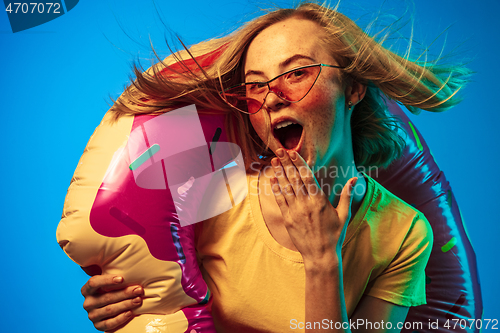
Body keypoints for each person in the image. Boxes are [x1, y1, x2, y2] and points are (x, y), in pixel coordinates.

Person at [80, 2, 470, 332]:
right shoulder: (215, 192)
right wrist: (118, 298)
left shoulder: (403, 232)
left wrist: (321, 260)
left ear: (352, 89)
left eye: (297, 72)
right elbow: (157, 281)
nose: (272, 98)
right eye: (255, 85)